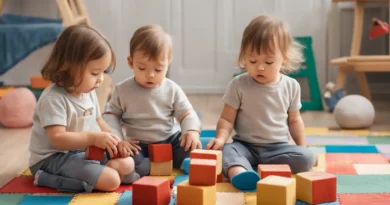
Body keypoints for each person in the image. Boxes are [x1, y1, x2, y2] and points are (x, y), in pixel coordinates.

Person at [207, 15, 315, 190]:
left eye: (269, 61)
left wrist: (302, 147)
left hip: (278, 149)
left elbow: (294, 121)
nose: (260, 67)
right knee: (227, 152)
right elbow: (227, 119)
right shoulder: (238, 84)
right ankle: (242, 174)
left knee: (307, 158)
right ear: (244, 56)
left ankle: (262, 171)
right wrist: (220, 138)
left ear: (284, 58)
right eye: (252, 60)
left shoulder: (291, 86)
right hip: (244, 146)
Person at [28, 24, 138, 193]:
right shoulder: (53, 99)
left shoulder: (88, 92)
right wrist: (93, 138)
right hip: (51, 158)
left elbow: (98, 120)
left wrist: (116, 141)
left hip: (81, 153)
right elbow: (57, 139)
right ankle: (45, 179)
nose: (101, 79)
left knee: (127, 163)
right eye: (95, 73)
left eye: (103, 72)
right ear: (68, 66)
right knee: (112, 180)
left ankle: (99, 174)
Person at [103, 25, 202, 177]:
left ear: (168, 62)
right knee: (124, 156)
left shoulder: (172, 89)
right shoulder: (122, 90)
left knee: (190, 145)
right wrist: (119, 140)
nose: (150, 75)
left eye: (158, 69)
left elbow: (187, 114)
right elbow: (110, 115)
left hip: (169, 140)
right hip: (137, 144)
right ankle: (146, 167)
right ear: (130, 62)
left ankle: (185, 162)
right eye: (142, 68)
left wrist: (191, 131)